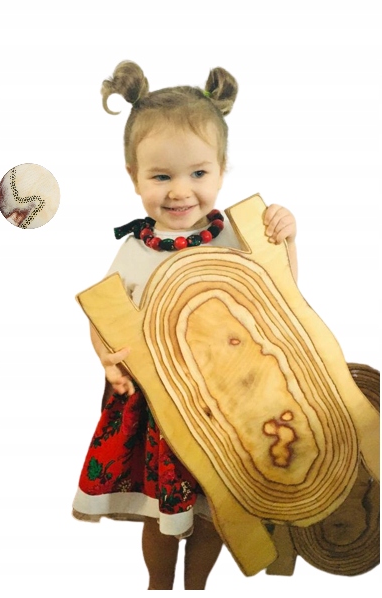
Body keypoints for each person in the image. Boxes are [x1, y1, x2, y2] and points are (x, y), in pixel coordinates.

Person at [72, 61, 298, 590]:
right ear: (133, 176)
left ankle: (196, 587)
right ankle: (159, 585)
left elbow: (284, 299)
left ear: (221, 169)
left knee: (217, 507)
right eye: (161, 176)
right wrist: (107, 358)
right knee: (162, 515)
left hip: (229, 404)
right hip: (161, 408)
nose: (180, 191)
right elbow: (105, 313)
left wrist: (287, 239)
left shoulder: (237, 237)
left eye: (198, 174)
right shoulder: (136, 250)